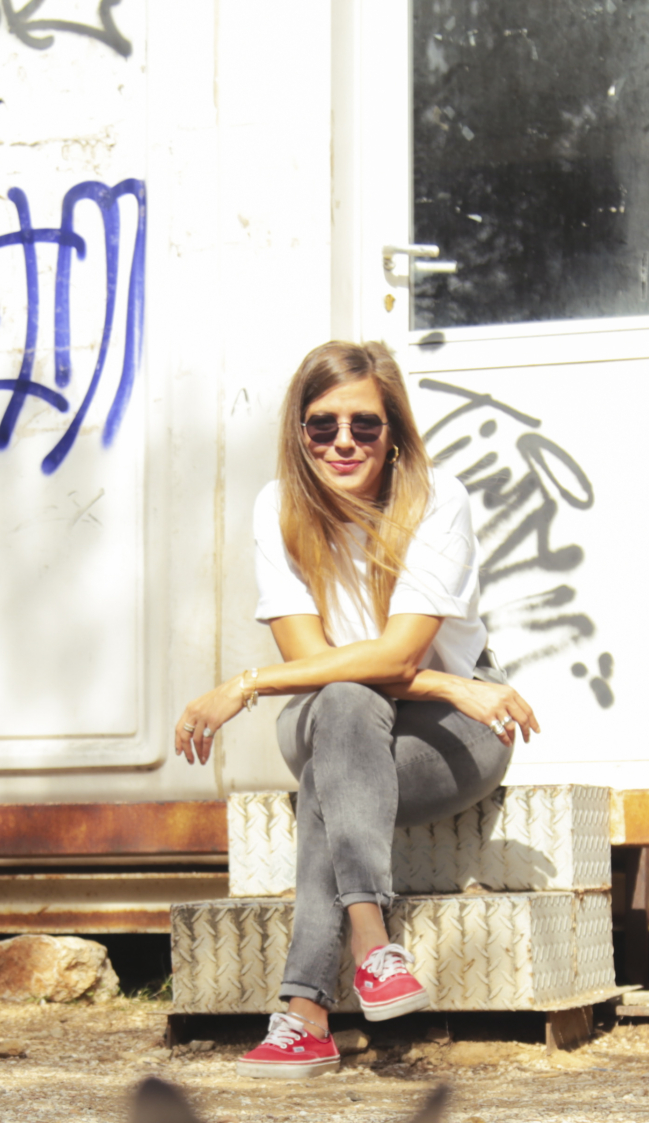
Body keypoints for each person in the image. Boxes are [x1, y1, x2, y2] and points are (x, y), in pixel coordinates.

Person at [173, 341, 540, 1079]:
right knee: (343, 702)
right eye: (323, 425)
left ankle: (304, 1015)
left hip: (453, 737)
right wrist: (446, 683)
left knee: (328, 775)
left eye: (364, 425)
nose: (343, 442)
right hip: (362, 711)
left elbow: (396, 657)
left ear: (393, 433)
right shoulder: (278, 507)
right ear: (299, 432)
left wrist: (245, 685)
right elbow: (321, 663)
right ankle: (375, 948)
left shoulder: (437, 502)